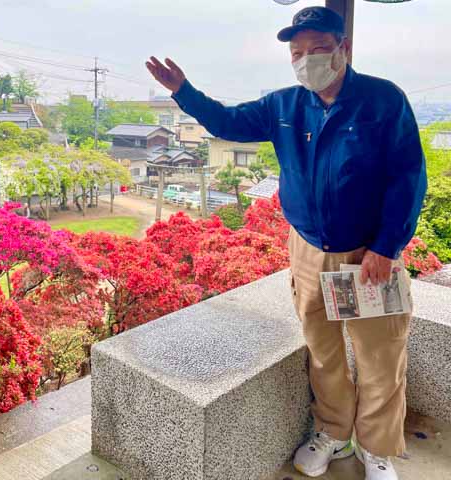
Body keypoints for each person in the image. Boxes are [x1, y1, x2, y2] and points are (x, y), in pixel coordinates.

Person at [145, 6, 426, 480]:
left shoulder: (383, 100)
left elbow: (408, 177)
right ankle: (334, 433)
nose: (307, 60)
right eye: (297, 53)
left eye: (318, 49)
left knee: (380, 355)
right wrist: (183, 92)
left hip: (369, 254)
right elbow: (228, 123)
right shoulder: (283, 106)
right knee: (323, 350)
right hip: (308, 251)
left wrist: (387, 246)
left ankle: (376, 448)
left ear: (344, 49)